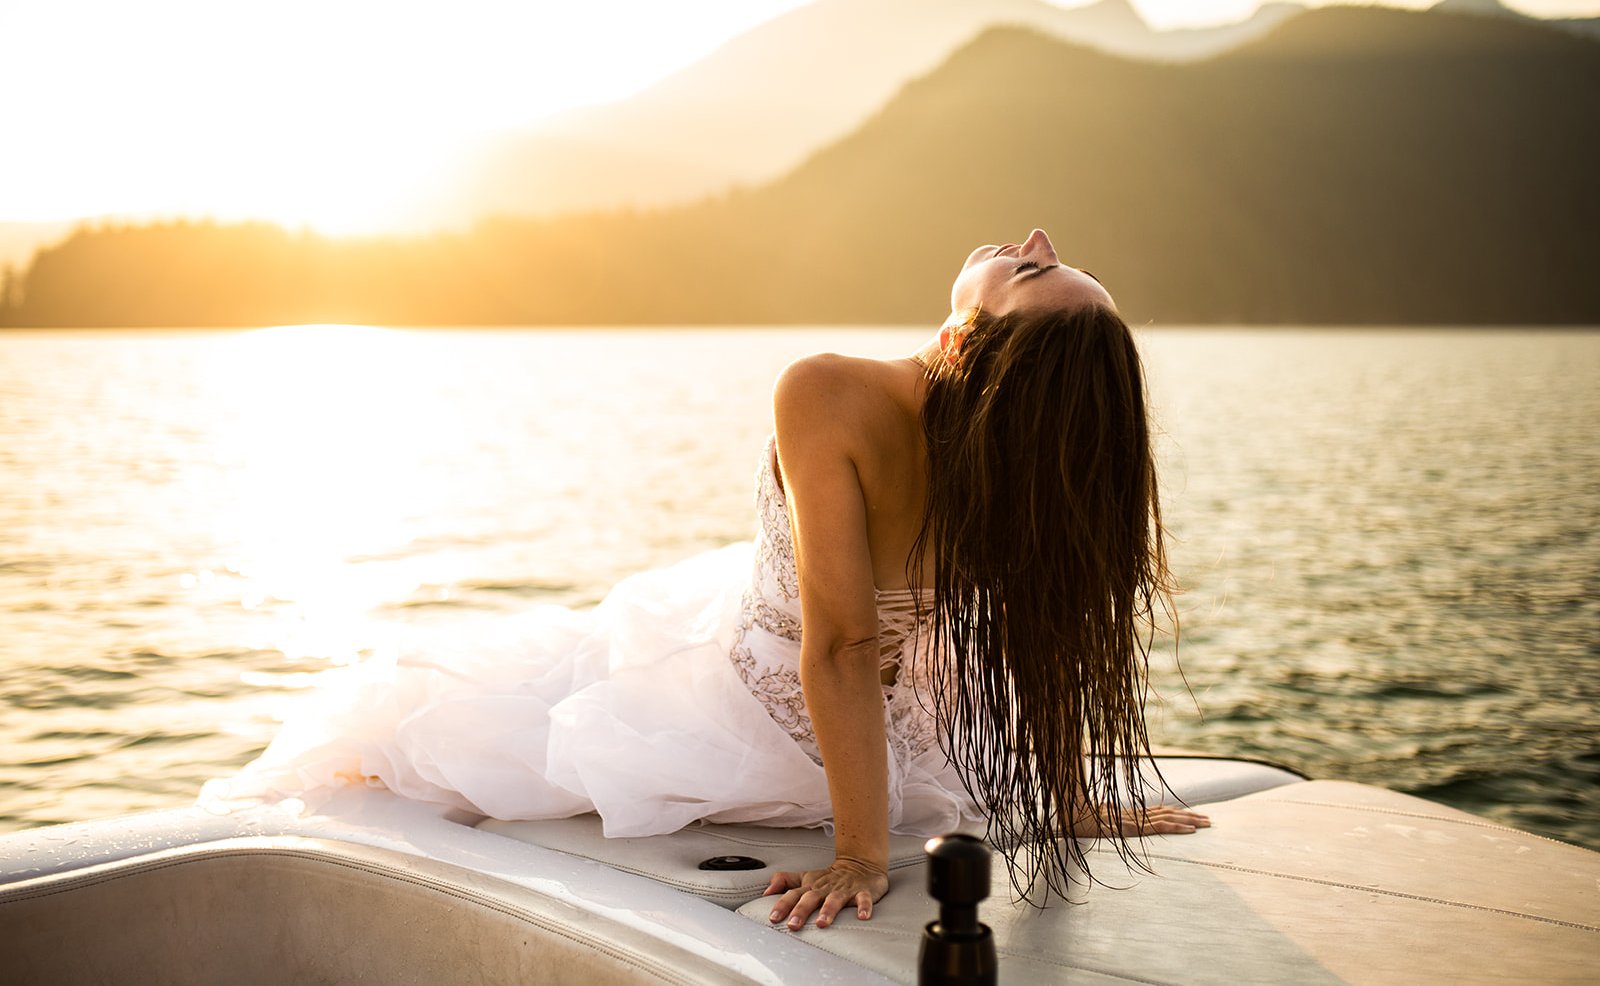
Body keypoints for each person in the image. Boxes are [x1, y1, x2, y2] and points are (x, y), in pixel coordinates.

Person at [203, 228, 1207, 932]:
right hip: (935, 731)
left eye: (1034, 266)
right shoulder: (1035, 464)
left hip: (767, 711)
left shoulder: (826, 390)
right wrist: (1061, 792)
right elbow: (1051, 624)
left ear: (960, 342)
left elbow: (843, 644)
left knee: (420, 727)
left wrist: (860, 854)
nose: (1030, 235)